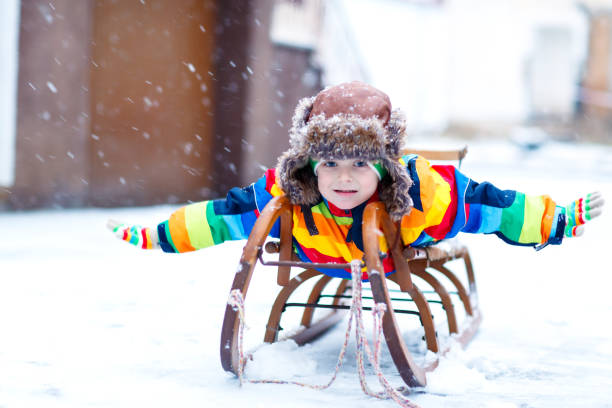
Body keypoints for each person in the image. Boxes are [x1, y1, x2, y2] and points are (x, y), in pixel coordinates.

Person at [108, 81, 604, 279]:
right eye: (329, 165)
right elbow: (225, 215)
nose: (343, 178)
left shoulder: (422, 196)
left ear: (386, 167)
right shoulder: (288, 195)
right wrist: (162, 236)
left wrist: (555, 220)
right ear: (308, 165)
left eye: (360, 165)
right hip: (328, 261)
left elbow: (493, 206)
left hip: (388, 258)